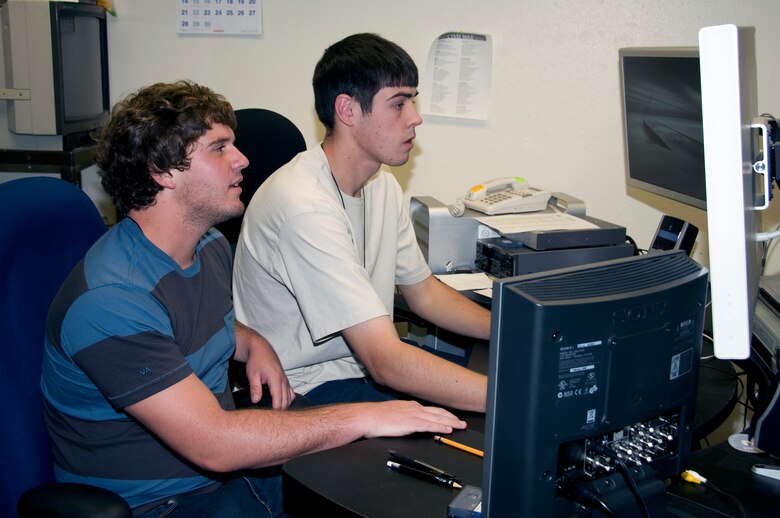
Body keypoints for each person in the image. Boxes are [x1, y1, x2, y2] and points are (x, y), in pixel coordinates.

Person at [40, 80, 466, 517]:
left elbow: (187, 323)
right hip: (163, 502)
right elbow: (215, 444)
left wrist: (251, 341)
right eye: (219, 148)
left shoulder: (206, 246)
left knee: (392, 487)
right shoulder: (112, 301)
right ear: (162, 171)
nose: (242, 160)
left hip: (229, 479)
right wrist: (361, 417)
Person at [232, 33, 490, 411]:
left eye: (412, 102)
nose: (415, 118)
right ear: (348, 110)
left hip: (364, 371)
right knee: (484, 435)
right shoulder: (303, 206)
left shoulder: (381, 185)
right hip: (305, 389)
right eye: (398, 104)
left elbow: (425, 294)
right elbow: (386, 362)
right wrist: (515, 403)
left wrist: (509, 332)